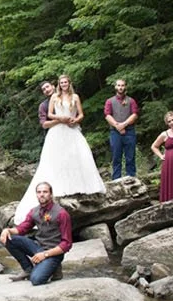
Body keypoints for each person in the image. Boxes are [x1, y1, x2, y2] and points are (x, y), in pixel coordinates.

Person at [14, 74, 106, 222]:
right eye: (61, 82)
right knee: (57, 159)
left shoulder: (75, 97)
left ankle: (80, 186)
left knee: (78, 156)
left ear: (69, 83)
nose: (63, 84)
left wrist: (75, 120)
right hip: (57, 131)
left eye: (65, 82)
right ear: (58, 84)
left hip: (72, 129)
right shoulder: (54, 98)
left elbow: (81, 113)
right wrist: (60, 119)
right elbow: (50, 115)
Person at [0, 181, 72, 285]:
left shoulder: (62, 213)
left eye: (45, 192)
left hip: (53, 252)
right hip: (37, 247)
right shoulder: (34, 211)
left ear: (51, 194)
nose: (41, 194)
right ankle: (28, 269)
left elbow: (67, 244)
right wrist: (7, 230)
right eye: (39, 192)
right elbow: (23, 228)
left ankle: (54, 268)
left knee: (36, 280)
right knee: (8, 238)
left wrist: (45, 254)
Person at [103, 78, 140, 180]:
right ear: (115, 87)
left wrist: (124, 124)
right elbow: (107, 115)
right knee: (116, 157)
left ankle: (132, 180)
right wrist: (117, 125)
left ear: (125, 87)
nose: (120, 87)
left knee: (130, 157)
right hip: (115, 132)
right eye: (119, 85)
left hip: (129, 132)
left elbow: (135, 114)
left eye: (122, 85)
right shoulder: (109, 101)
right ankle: (116, 181)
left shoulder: (131, 101)